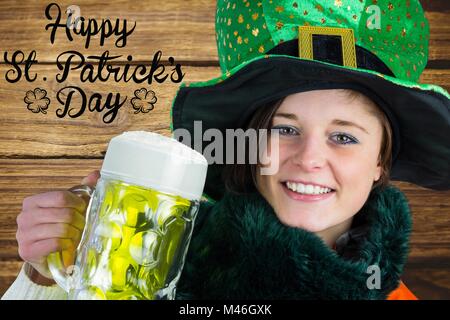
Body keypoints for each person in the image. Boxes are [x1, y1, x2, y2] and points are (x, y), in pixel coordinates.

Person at [2, 0, 449, 300]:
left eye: (344, 137)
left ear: (379, 163)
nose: (310, 158)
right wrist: (47, 276)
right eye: (284, 129)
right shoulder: (147, 252)